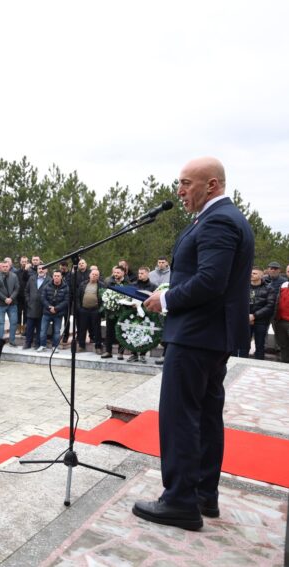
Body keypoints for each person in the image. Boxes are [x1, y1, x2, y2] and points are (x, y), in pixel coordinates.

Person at [133, 157, 254, 531]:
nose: (180, 191)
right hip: (209, 335)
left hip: (196, 335)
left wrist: (165, 299)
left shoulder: (218, 220)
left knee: (180, 416)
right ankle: (203, 494)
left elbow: (211, 281)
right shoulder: (219, 218)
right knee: (204, 415)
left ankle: (179, 501)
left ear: (212, 184)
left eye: (186, 183)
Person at [240, 267, 275, 360]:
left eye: (255, 273)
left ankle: (258, 363)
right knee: (243, 345)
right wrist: (246, 316)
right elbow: (238, 303)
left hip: (261, 321)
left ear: (261, 275)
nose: (251, 275)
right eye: (251, 273)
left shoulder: (269, 289)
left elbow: (270, 306)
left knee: (260, 345)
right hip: (245, 320)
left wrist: (254, 316)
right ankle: (241, 363)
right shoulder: (244, 287)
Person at [38, 270, 69, 352]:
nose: (56, 277)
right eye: (55, 276)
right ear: (52, 276)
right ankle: (42, 345)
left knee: (57, 331)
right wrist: (49, 307)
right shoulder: (47, 285)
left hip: (58, 313)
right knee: (43, 330)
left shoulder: (66, 287)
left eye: (58, 276)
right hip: (47, 312)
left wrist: (56, 308)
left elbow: (66, 301)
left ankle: (55, 346)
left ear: (61, 277)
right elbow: (43, 298)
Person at [0, 259, 20, 345]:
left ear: (9, 267)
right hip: (0, 304)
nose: (5, 268)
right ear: (1, 267)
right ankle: (0, 341)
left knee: (14, 322)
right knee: (0, 323)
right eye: (3, 266)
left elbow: (17, 288)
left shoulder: (14, 276)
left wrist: (11, 298)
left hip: (12, 303)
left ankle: (12, 340)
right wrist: (5, 299)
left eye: (6, 266)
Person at [77, 269, 105, 354]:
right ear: (89, 275)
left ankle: (98, 347)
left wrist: (100, 310)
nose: (94, 276)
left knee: (97, 330)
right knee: (82, 329)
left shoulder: (101, 285)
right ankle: (81, 346)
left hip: (95, 310)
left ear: (98, 276)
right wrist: (80, 308)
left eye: (96, 275)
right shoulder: (83, 284)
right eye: (93, 274)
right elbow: (78, 297)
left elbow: (104, 299)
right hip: (84, 310)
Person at [23, 265, 49, 350]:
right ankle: (28, 343)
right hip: (31, 307)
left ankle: (37, 343)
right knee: (29, 327)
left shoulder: (49, 280)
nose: (41, 270)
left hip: (43, 308)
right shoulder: (32, 278)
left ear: (46, 270)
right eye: (39, 269)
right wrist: (28, 300)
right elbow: (26, 291)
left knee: (40, 327)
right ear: (37, 270)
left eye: (43, 269)